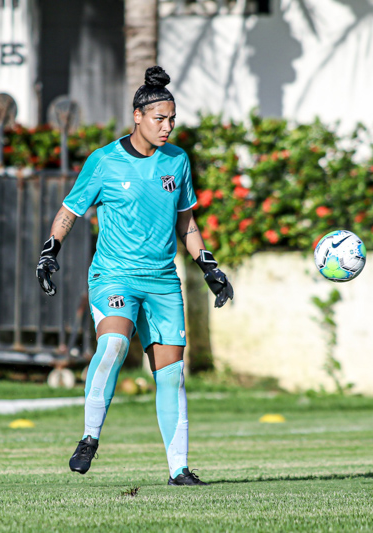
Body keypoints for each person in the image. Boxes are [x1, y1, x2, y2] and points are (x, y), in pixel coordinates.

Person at [36, 66, 234, 486]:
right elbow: (70, 211)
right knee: (113, 344)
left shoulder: (178, 161)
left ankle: (179, 470)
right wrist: (49, 252)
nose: (167, 127)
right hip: (114, 276)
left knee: (171, 376)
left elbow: (188, 225)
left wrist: (209, 266)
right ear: (138, 117)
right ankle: (90, 437)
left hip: (163, 282)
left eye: (172, 119)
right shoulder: (104, 161)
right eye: (160, 119)